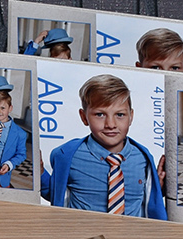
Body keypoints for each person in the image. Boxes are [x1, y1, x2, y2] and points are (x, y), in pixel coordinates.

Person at [44, 74, 166, 219]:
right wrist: (39, 172)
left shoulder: (142, 159)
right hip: (82, 232)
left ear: (131, 116)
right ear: (84, 117)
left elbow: (145, 201)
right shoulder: (68, 156)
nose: (111, 124)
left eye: (120, 115)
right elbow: (55, 194)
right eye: (100, 114)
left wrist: (157, 190)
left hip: (132, 233)